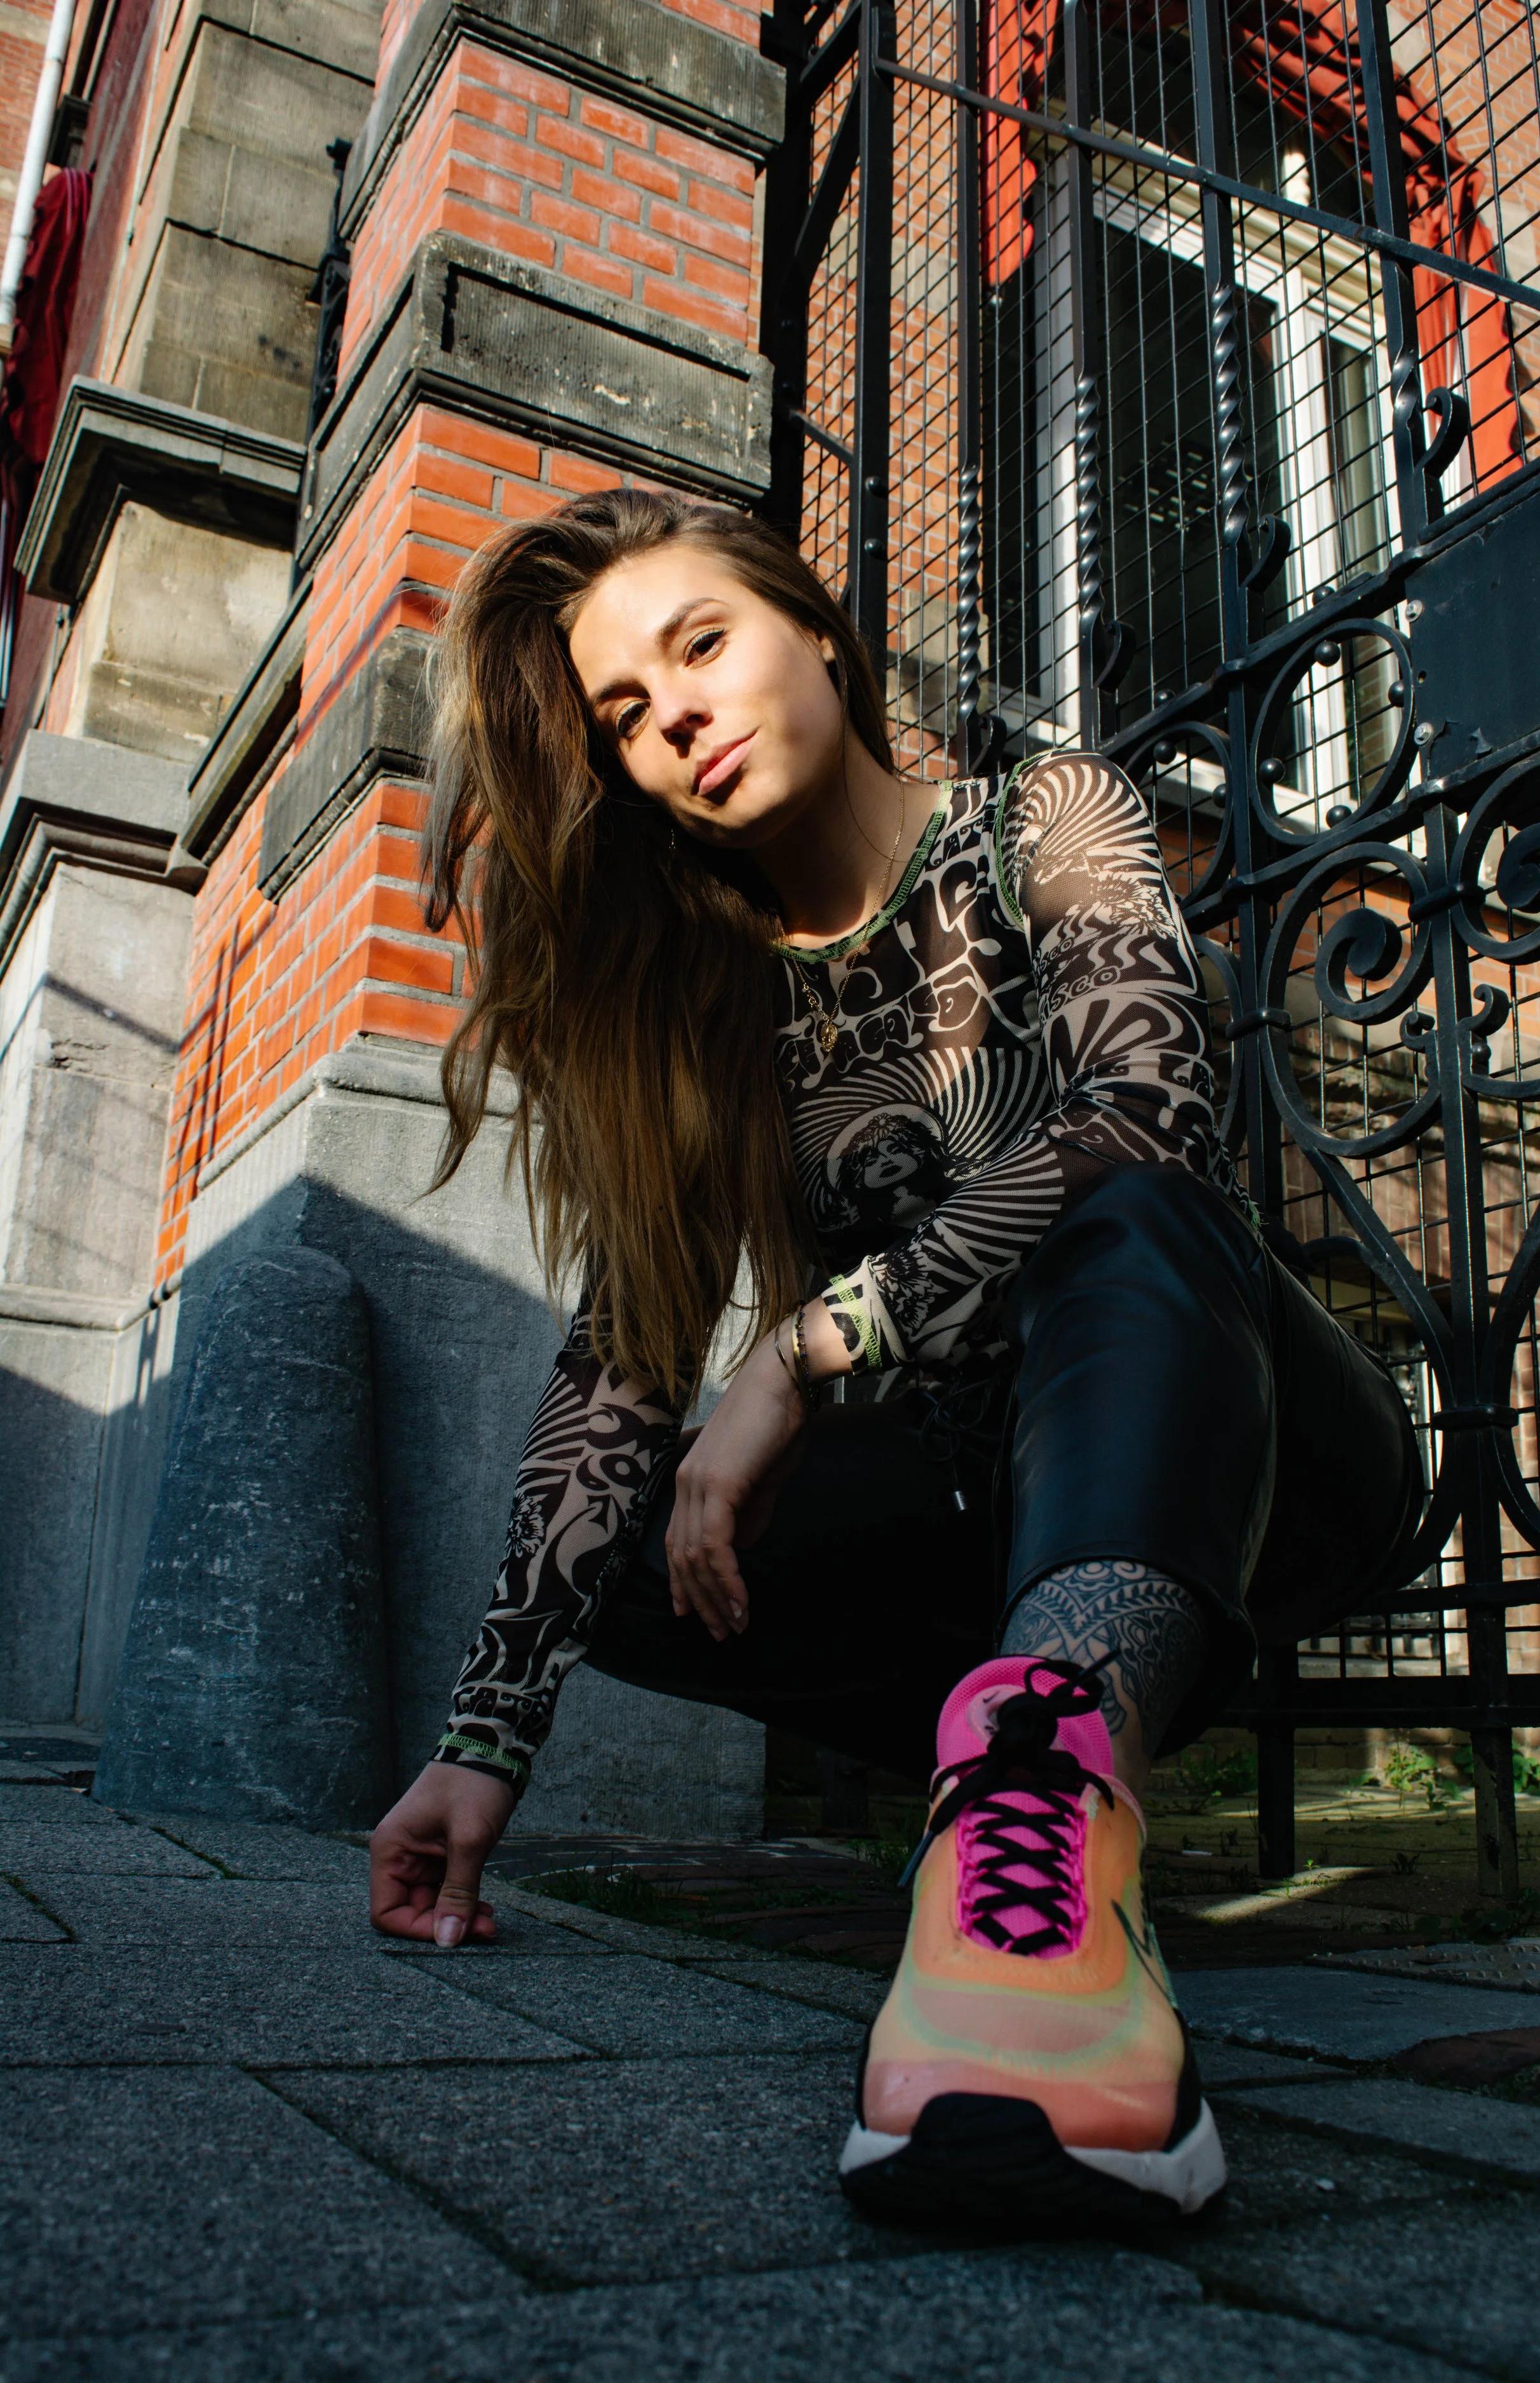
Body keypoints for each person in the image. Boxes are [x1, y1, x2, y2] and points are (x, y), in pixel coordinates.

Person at [367, 488, 1422, 2227]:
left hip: (1252, 1444)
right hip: (982, 1492)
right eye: (626, 715)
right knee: (633, 1543)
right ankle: (1013, 1804)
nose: (675, 718)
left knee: (1125, 1198)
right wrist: (484, 1736)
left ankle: (1043, 1809)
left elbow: (1148, 1111)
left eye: (699, 646)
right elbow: (624, 1359)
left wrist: (805, 1345)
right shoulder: (713, 1004)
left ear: (820, 637)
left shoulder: (1040, 816)